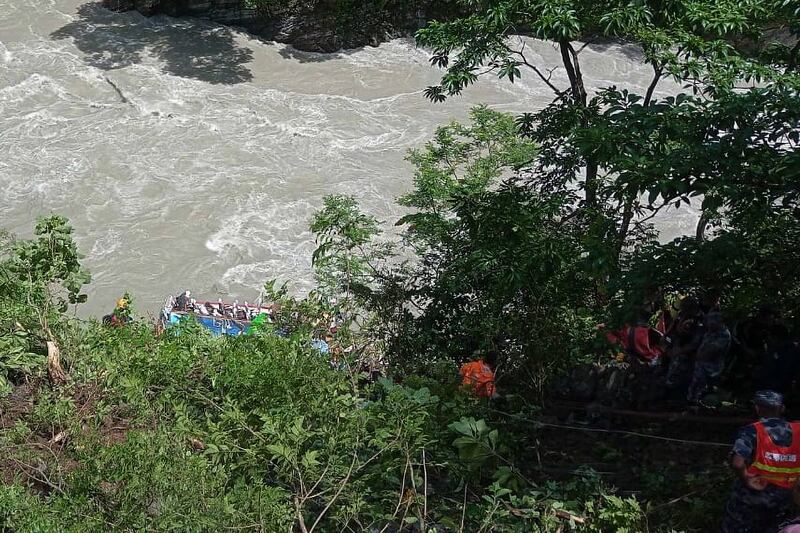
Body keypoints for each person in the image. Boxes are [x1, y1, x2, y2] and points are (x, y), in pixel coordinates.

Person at [723, 391, 800, 533]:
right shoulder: (798, 430)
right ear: (782, 408)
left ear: (757, 408)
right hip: (786, 497)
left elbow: (738, 463)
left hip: (752, 494)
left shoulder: (751, 431)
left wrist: (746, 479)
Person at [687, 311, 731, 404]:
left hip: (712, 365)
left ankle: (695, 399)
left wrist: (696, 357)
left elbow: (710, 352)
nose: (709, 324)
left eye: (712, 322)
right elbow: (695, 345)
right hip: (701, 361)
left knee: (699, 372)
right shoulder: (709, 332)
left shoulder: (724, 334)